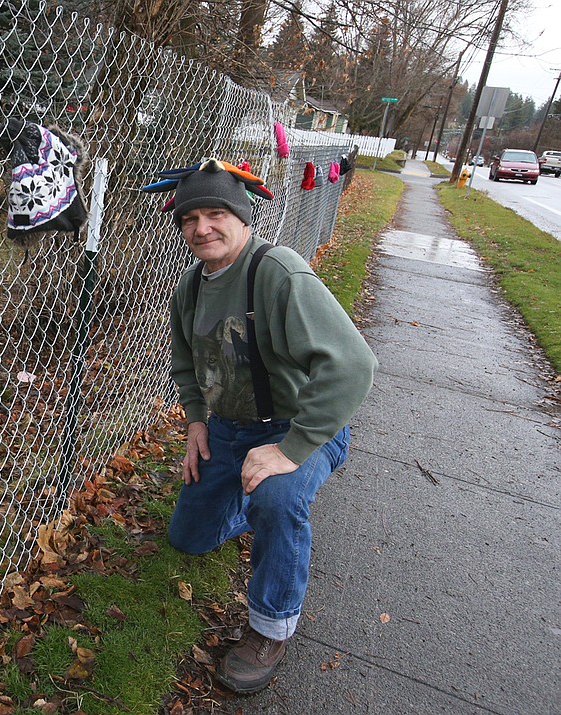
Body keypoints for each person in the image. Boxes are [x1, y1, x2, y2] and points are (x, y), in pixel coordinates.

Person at [164, 161, 377, 694]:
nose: (202, 228)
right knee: (188, 540)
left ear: (242, 215)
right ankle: (253, 503)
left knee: (279, 500)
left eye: (216, 213)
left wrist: (290, 450)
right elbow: (187, 363)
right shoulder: (191, 285)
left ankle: (270, 628)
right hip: (229, 428)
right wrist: (195, 423)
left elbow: (353, 364)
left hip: (298, 426)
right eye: (190, 218)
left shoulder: (276, 271)